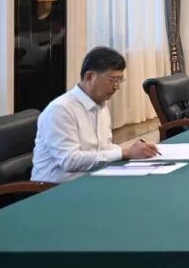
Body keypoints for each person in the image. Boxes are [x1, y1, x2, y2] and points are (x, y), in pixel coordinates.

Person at [31, 47, 159, 182]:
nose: (117, 86)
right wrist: (123, 152)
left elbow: (103, 149)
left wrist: (128, 147)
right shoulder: (60, 110)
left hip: (92, 179)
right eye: (112, 80)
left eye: (120, 80)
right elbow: (70, 161)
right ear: (89, 77)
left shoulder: (101, 105)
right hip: (55, 188)